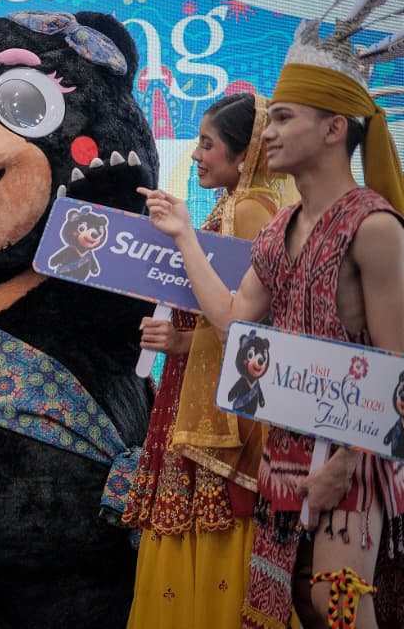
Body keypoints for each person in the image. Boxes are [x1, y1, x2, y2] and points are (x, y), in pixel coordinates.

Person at [139, 56, 404, 629]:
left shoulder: (375, 228)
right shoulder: (278, 229)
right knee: (279, 602)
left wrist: (347, 464)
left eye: (284, 118)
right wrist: (184, 235)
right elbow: (235, 324)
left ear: (334, 129)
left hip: (356, 451)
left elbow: (398, 371)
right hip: (284, 448)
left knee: (336, 601)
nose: (270, 133)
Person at [123, 93, 289, 628]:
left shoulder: (250, 209)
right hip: (201, 397)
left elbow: (252, 331)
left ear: (244, 155)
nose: (195, 155)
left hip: (224, 415)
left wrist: (185, 340)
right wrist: (180, 342)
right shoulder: (233, 205)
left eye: (207, 144)